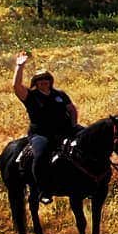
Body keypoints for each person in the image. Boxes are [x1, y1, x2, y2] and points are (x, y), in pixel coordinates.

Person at [11, 50, 79, 202]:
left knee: (89, 139)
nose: (43, 82)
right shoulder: (30, 96)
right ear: (35, 83)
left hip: (65, 130)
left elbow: (71, 109)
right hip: (41, 134)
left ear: (50, 81)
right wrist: (19, 66)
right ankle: (44, 190)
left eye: (46, 80)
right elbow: (16, 86)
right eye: (39, 80)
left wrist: (74, 125)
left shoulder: (59, 94)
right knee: (40, 155)